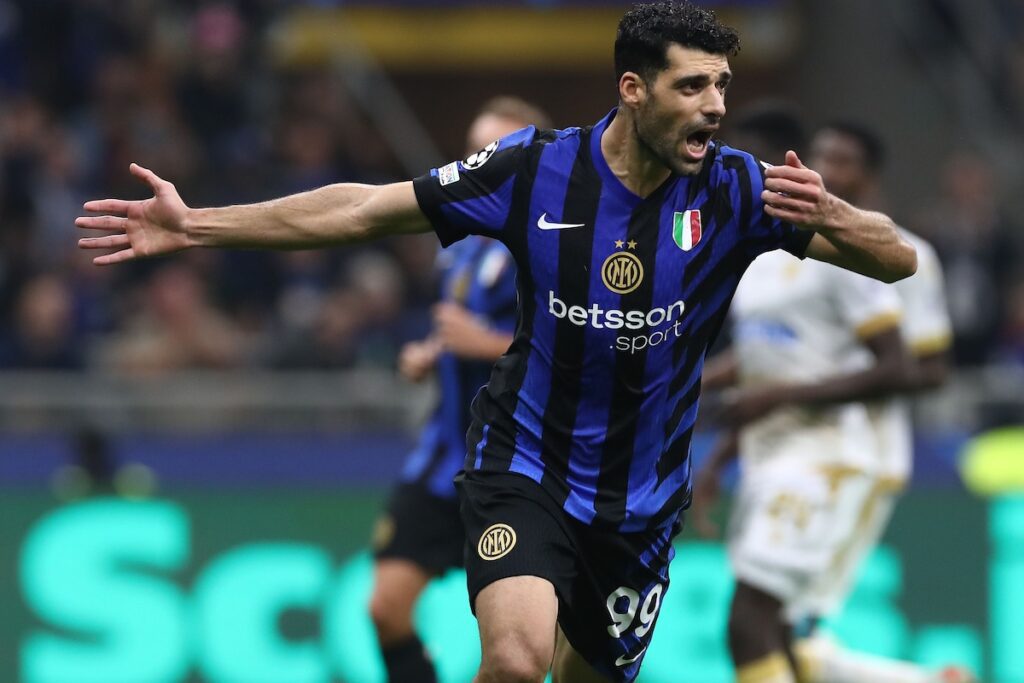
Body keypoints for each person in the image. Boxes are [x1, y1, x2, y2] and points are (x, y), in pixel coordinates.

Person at [76, 3, 916, 680]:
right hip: (526, 467)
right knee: (514, 661)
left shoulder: (735, 188)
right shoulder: (532, 169)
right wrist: (199, 226)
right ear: (633, 88)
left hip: (642, 504)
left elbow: (898, 259)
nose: (716, 108)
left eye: (722, 87)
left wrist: (830, 210)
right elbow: (364, 209)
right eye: (693, 87)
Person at [694, 119, 968, 683]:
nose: (828, 169)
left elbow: (916, 367)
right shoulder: (768, 254)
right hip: (777, 451)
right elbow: (777, 357)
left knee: (757, 624)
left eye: (843, 160)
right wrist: (721, 438)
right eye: (822, 156)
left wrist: (781, 397)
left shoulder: (881, 256)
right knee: (796, 641)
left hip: (845, 454)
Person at [368, 96, 550, 683]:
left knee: (510, 651)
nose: (480, 160)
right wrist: (431, 352)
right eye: (475, 147)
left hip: (520, 464)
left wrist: (483, 343)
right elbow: (460, 328)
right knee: (385, 609)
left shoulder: (552, 245)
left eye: (494, 148)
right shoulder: (464, 243)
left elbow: (572, 348)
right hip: (443, 454)